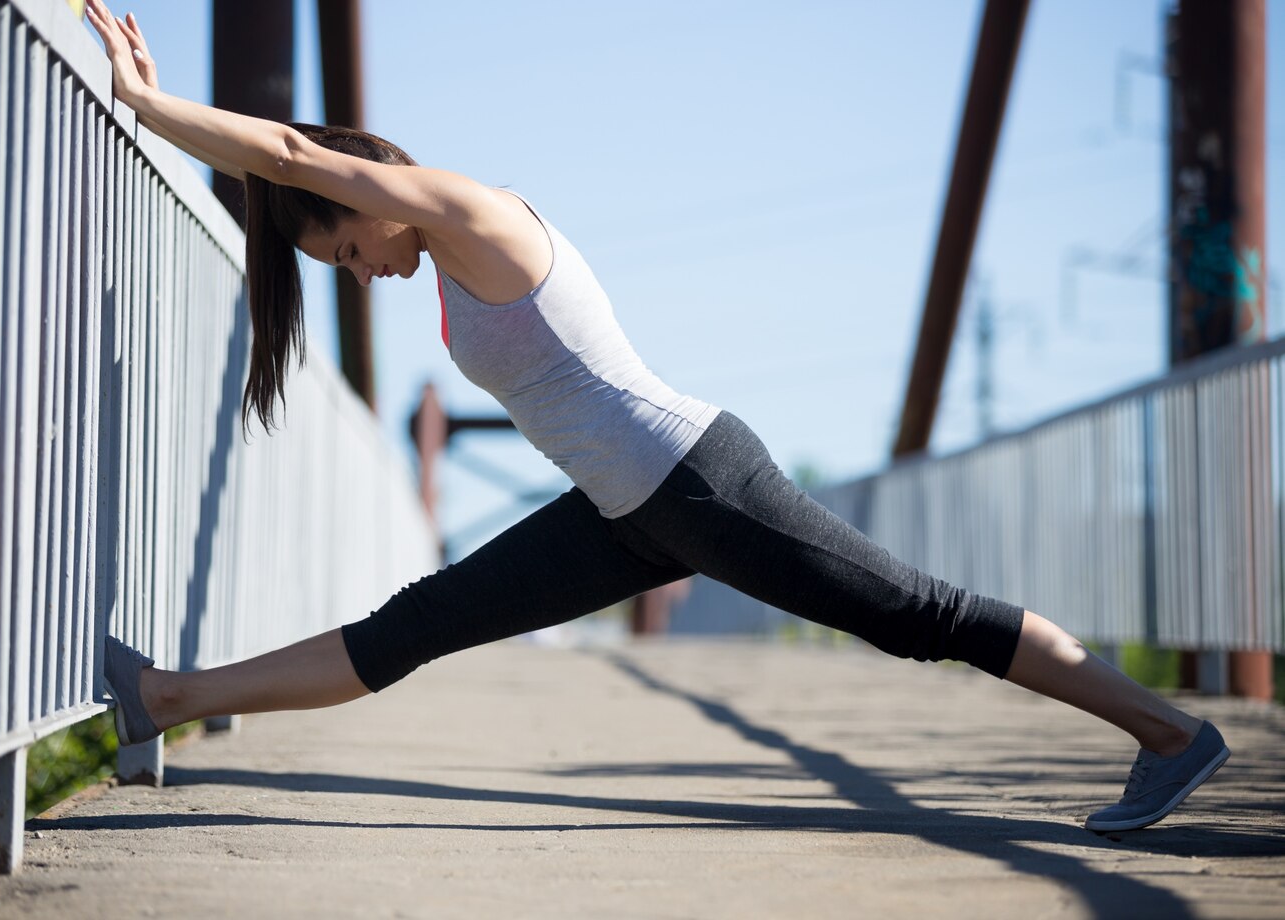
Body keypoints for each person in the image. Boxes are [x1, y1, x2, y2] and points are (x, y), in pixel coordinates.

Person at [87, 1, 1228, 834]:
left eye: (344, 245)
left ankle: (1168, 731)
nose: (358, 269)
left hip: (696, 478)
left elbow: (287, 151)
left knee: (917, 612)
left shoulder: (469, 210)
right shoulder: (441, 260)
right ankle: (166, 695)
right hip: (626, 513)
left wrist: (146, 103)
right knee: (416, 623)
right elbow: (298, 176)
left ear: (366, 192)